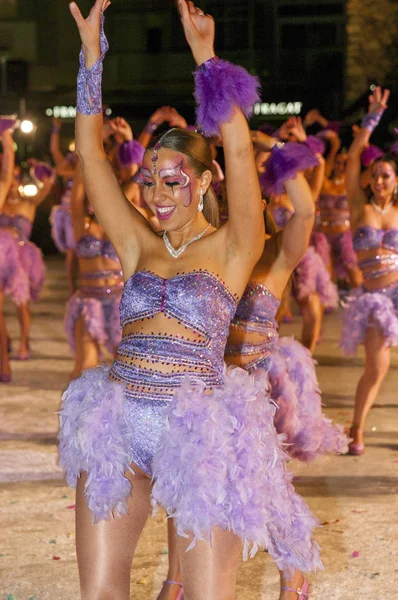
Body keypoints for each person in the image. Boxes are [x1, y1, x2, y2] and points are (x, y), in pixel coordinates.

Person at [59, 1, 321, 597]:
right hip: (120, 424)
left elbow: (234, 148)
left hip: (200, 433)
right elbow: (91, 153)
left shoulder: (236, 246)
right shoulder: (136, 245)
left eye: (173, 180)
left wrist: (207, 60)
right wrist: (92, 59)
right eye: (150, 181)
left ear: (205, 182)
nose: (156, 194)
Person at [159, 143, 347, 600]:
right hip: (206, 391)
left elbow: (304, 211)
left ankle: (293, 574)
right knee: (187, 479)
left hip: (256, 396)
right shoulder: (209, 255)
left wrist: (277, 154)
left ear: (262, 206)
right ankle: (178, 576)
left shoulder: (277, 257)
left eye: (253, 204)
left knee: (266, 486)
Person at [341, 86, 397, 455]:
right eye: (375, 175)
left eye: (386, 176)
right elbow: (352, 160)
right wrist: (371, 120)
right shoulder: (359, 204)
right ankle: (357, 427)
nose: (379, 181)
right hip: (376, 300)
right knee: (376, 369)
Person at [65, 164, 124, 380]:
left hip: (120, 302)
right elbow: (76, 196)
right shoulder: (82, 223)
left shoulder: (121, 221)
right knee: (84, 369)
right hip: (89, 301)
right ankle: (76, 414)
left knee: (128, 368)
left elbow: (136, 182)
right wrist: (85, 154)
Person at [0, 133, 53, 362]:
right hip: (2, 258)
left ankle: (24, 341)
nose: (12, 184)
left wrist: (38, 169)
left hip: (21, 258)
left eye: (15, 180)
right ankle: (5, 341)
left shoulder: (28, 203)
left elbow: (49, 183)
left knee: (21, 303)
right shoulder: (0, 202)